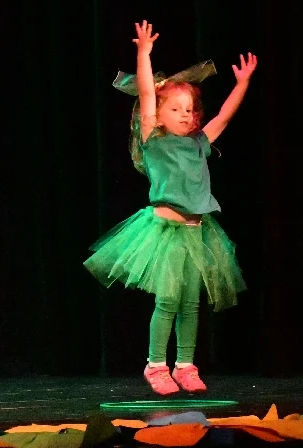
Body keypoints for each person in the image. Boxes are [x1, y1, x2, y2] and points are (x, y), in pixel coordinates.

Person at [85, 20, 257, 395]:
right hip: (164, 232)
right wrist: (144, 54)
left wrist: (242, 84)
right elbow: (147, 94)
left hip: (197, 232)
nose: (184, 114)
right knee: (167, 301)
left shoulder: (199, 142)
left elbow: (224, 116)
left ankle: (185, 365)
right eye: (175, 108)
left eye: (189, 109)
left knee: (191, 303)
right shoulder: (154, 140)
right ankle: (156, 365)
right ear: (158, 115)